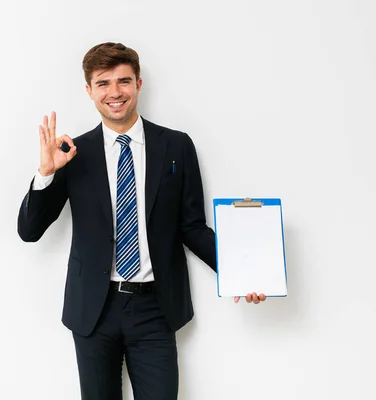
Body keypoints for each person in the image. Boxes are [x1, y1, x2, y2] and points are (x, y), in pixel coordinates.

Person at [17, 42, 266, 400]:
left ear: (138, 84)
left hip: (155, 308)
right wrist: (45, 172)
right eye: (103, 83)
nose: (114, 92)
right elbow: (29, 231)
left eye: (123, 81)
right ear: (88, 90)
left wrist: (241, 275)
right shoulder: (73, 154)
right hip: (93, 310)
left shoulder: (176, 146)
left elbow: (192, 227)